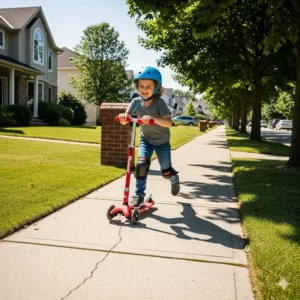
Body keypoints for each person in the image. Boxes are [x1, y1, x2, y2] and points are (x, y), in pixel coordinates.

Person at [118, 66, 180, 207]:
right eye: (141, 86)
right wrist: (123, 117)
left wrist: (153, 119)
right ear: (137, 87)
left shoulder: (159, 103)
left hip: (162, 142)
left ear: (156, 88)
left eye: (148, 86)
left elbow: (169, 122)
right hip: (146, 140)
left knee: (166, 171)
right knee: (141, 165)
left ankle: (174, 178)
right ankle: (139, 194)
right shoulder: (135, 102)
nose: (144, 89)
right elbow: (126, 119)